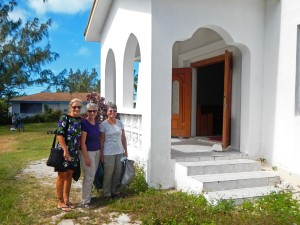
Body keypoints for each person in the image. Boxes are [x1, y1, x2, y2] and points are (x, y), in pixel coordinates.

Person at [55, 98, 82, 212]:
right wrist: (65, 150)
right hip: (64, 151)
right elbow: (59, 135)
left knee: (69, 175)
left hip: (74, 153)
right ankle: (60, 201)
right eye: (74, 106)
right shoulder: (64, 118)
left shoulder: (79, 120)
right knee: (62, 176)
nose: (76, 109)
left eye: (79, 107)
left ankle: (67, 200)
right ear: (70, 107)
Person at [100, 103, 128, 199]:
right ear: (107, 112)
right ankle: (107, 193)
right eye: (110, 111)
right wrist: (102, 154)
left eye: (114, 110)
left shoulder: (120, 123)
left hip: (119, 152)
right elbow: (102, 140)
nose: (112, 112)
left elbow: (123, 137)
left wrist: (125, 150)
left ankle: (115, 191)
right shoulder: (103, 124)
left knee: (117, 173)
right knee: (108, 173)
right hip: (108, 153)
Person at [79, 102, 101, 208]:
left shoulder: (96, 124)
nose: (92, 113)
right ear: (87, 112)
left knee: (92, 175)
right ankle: (85, 201)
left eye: (94, 111)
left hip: (97, 152)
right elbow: (82, 142)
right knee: (89, 176)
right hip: (88, 153)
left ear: (96, 112)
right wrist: (86, 157)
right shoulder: (85, 123)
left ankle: (88, 197)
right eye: (89, 111)